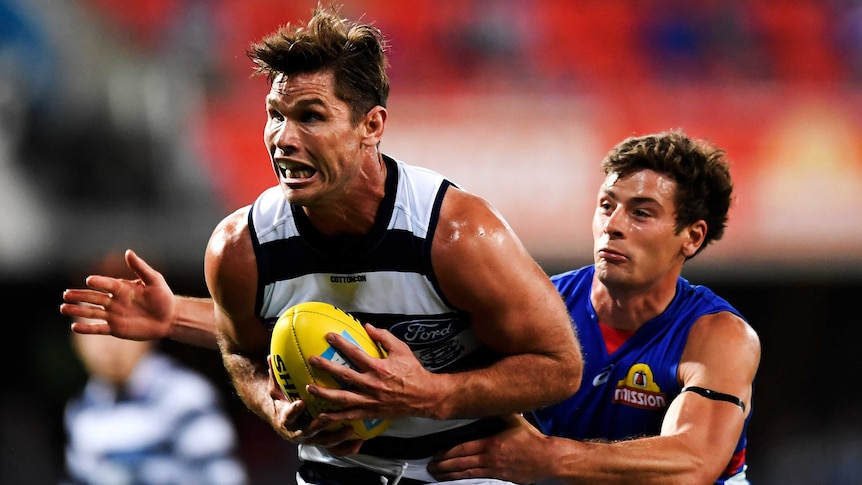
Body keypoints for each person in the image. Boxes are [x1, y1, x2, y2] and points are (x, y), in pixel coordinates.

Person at [60, 4, 583, 484]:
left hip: (464, 467)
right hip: (335, 469)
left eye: (310, 116)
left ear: (370, 125)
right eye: (274, 114)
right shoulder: (240, 247)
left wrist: (434, 395)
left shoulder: (456, 234)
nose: (283, 138)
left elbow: (561, 367)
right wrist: (274, 408)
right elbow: (243, 353)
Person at [427, 131, 761, 484]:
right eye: (606, 205)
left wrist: (548, 457)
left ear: (691, 237)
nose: (612, 226)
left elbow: (691, 464)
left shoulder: (720, 336)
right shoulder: (541, 304)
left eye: (642, 213)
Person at [63, 321, 248, 485]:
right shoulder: (82, 409)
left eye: (115, 330)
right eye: (94, 334)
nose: (108, 345)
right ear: (76, 342)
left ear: (145, 333)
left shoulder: (184, 395)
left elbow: (222, 477)